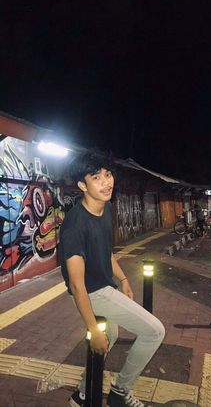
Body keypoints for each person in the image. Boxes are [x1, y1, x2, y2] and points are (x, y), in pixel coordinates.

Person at [59, 151, 165, 407]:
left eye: (108, 174)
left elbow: (106, 253)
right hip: (93, 292)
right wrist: (93, 329)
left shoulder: (105, 208)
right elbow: (76, 284)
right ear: (82, 185)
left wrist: (124, 279)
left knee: (111, 337)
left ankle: (83, 393)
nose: (106, 182)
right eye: (96, 177)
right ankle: (119, 392)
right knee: (154, 331)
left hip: (106, 285)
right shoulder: (75, 225)